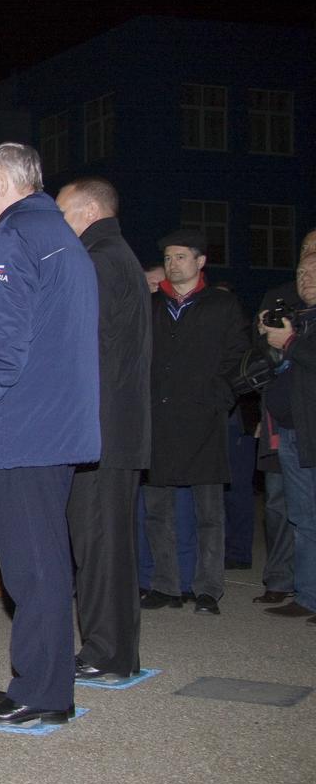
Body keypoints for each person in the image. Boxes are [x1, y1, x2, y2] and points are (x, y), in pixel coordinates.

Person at [0, 142, 100, 726]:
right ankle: (38, 680)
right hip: (50, 424)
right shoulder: (59, 237)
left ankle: (42, 693)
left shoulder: (12, 241)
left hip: (21, 425)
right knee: (41, 562)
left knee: (32, 565)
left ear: (4, 184)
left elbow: (1, 336)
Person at [55, 177, 152, 680]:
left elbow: (78, 347)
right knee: (105, 543)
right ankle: (112, 650)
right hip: (115, 427)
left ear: (88, 211)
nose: (57, 223)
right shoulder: (118, 256)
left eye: (63, 212)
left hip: (100, 429)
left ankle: (104, 652)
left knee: (97, 545)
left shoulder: (96, 259)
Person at [141, 229, 249, 616]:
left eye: (181, 256)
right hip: (158, 419)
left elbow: (238, 357)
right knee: (157, 510)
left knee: (208, 512)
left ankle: (207, 590)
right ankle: (166, 585)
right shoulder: (152, 305)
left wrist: (220, 397)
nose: (173, 263)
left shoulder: (221, 305)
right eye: (169, 257)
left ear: (200, 261)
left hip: (203, 419)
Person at [256, 240, 316, 622]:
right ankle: (308, 595)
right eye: (301, 274)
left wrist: (289, 342)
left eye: (314, 274)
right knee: (301, 516)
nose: (306, 279)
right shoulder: (299, 316)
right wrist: (270, 342)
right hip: (293, 431)